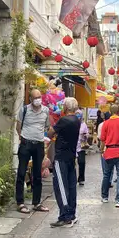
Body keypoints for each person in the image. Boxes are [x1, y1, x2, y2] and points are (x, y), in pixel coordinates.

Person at [15, 89, 50, 214]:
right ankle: (20, 203)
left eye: (39, 97)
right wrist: (23, 137)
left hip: (39, 144)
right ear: (30, 99)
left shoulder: (46, 110)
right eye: (35, 98)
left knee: (37, 174)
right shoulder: (24, 110)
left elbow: (47, 126)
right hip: (26, 144)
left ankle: (37, 202)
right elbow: (18, 126)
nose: (38, 100)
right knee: (21, 173)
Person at [49, 97, 80, 227]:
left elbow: (51, 133)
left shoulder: (64, 120)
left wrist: (51, 126)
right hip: (71, 157)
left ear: (66, 107)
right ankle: (71, 213)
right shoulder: (77, 120)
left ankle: (65, 216)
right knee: (71, 185)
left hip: (61, 157)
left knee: (61, 186)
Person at [76, 109, 89, 186]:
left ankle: (81, 179)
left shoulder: (84, 125)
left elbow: (87, 134)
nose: (78, 116)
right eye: (76, 114)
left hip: (81, 146)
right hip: (73, 146)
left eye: (79, 114)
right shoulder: (72, 123)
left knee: (81, 162)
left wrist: (85, 135)